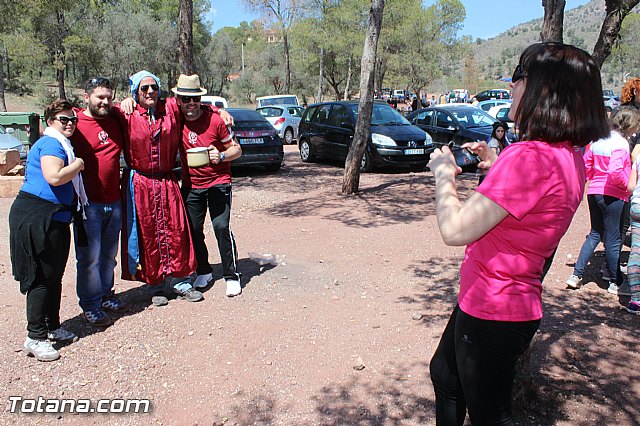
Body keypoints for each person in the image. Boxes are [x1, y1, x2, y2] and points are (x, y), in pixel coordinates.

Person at [427, 43, 609, 425]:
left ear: (542, 88)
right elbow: (532, 208)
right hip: (503, 303)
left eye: (518, 78)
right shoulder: (567, 156)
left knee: (492, 417)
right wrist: (495, 166)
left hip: (492, 308)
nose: (511, 87)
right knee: (445, 373)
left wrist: (443, 173)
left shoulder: (529, 157)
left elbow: (455, 229)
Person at [10, 99, 87, 361]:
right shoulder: (51, 143)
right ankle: (35, 336)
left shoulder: (61, 143)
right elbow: (54, 176)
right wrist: (78, 165)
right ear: (50, 122)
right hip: (38, 215)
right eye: (63, 119)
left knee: (54, 273)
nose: (69, 124)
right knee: (41, 275)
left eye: (72, 119)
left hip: (55, 215)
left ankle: (52, 326)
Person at [119, 70, 202, 306]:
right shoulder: (126, 114)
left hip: (167, 181)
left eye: (153, 87)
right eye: (144, 89)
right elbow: (95, 114)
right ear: (135, 92)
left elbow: (196, 107)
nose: (149, 92)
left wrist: (222, 111)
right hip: (141, 183)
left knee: (175, 229)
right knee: (147, 232)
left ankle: (180, 281)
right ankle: (155, 284)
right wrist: (123, 102)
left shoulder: (171, 109)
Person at [173, 74, 244, 296]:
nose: (190, 103)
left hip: (218, 183)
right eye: (186, 99)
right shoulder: (176, 120)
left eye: (194, 99)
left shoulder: (215, 120)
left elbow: (237, 150)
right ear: (178, 100)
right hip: (192, 185)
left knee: (221, 226)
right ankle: (203, 270)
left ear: (200, 100)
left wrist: (221, 156)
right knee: (193, 230)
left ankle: (231, 275)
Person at [70, 77, 126, 326]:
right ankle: (90, 304)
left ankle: (105, 295)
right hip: (88, 203)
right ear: (86, 97)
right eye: (99, 97)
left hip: (114, 200)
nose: (105, 102)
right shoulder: (75, 123)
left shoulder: (115, 120)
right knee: (89, 257)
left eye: (108, 97)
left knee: (108, 256)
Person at [566, 107, 634, 294]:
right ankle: (616, 281)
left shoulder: (598, 140)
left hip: (594, 191)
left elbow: (586, 165)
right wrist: (626, 186)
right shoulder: (621, 143)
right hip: (614, 194)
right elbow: (615, 171)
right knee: (613, 238)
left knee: (595, 233)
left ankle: (576, 274)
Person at [624, 106, 640, 314]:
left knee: (635, 250)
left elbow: (629, 186)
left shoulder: (639, 155)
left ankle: (635, 298)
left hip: (637, 204)